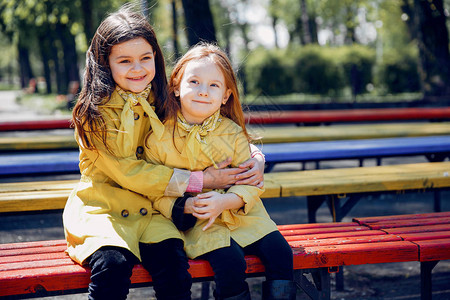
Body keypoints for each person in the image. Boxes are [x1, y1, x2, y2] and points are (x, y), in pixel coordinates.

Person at [63, 7, 265, 300]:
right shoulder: (93, 116)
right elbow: (129, 172)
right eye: (125, 61)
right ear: (105, 64)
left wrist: (256, 158)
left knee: (174, 269)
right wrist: (200, 181)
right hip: (104, 209)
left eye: (146, 58)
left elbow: (213, 127)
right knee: (112, 268)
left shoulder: (161, 97)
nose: (138, 69)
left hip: (155, 210)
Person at [144, 43, 296, 300]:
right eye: (194, 81)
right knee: (229, 262)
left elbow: (250, 181)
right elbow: (154, 188)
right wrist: (187, 206)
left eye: (214, 85)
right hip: (202, 221)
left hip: (244, 215)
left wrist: (225, 200)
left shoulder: (233, 132)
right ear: (176, 87)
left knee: (281, 253)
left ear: (226, 96)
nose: (203, 92)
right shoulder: (158, 137)